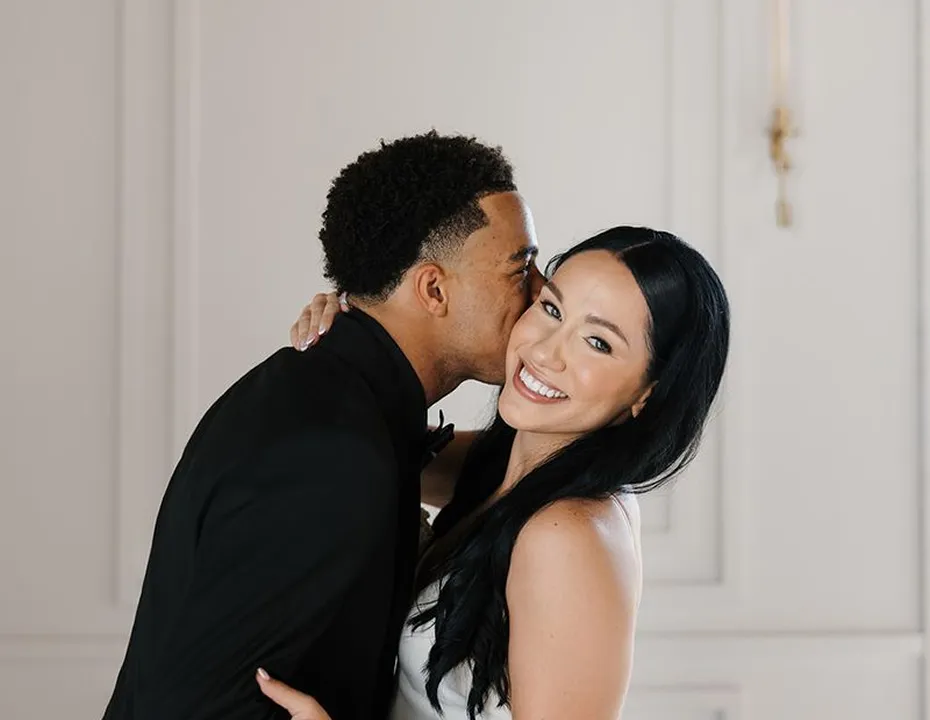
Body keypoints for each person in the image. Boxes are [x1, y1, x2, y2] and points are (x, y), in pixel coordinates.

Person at [102, 131, 543, 720]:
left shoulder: (340, 397)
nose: (541, 292)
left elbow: (508, 469)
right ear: (434, 289)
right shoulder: (333, 448)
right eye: (521, 268)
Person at [259, 226, 731, 719]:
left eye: (597, 342)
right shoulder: (513, 469)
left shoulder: (567, 536)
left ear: (649, 393)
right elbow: (377, 449)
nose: (545, 351)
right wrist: (354, 329)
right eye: (551, 309)